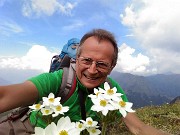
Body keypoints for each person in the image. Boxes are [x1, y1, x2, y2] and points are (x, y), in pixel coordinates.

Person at [0, 29, 170, 135]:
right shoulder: (58, 80)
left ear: (112, 67)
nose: (92, 69)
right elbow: (6, 96)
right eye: (87, 60)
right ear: (77, 59)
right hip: (28, 127)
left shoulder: (111, 91)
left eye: (102, 64)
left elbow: (138, 128)